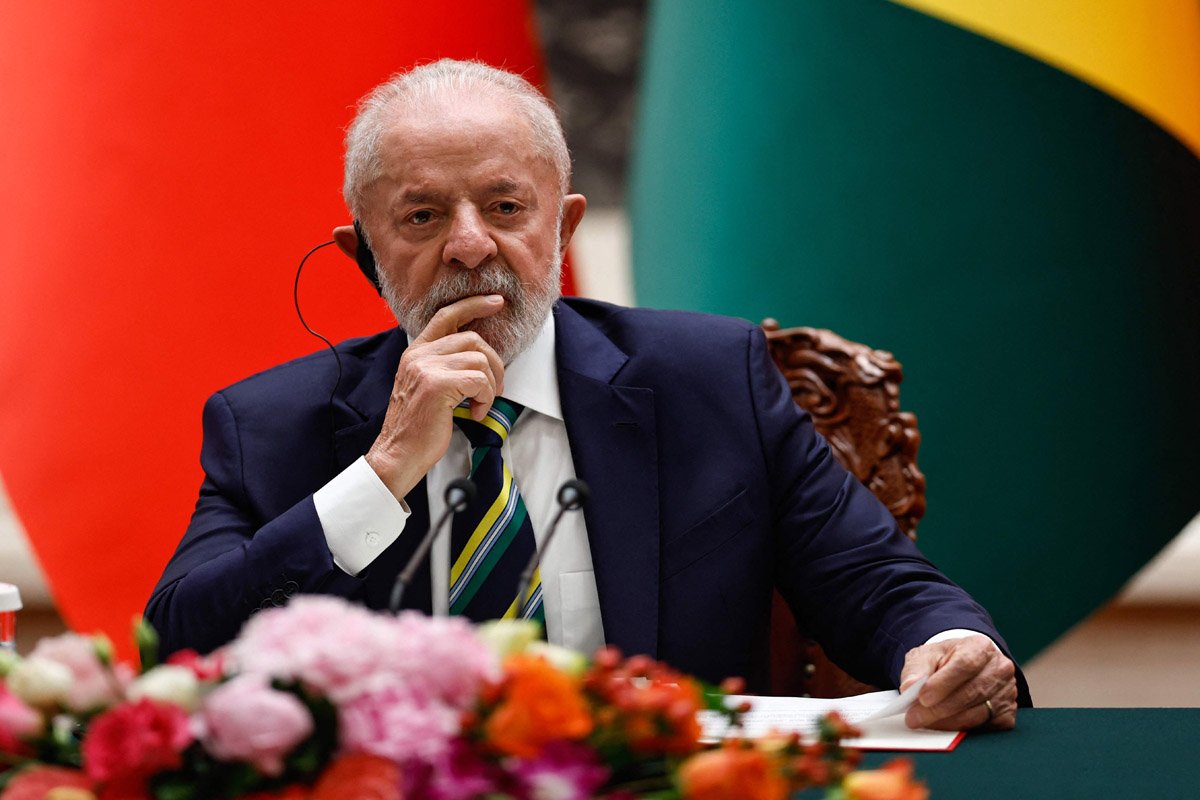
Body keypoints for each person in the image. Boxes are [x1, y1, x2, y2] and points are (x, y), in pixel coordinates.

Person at [147, 59, 1027, 731]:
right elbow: (179, 649)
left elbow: (876, 581)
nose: (468, 247)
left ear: (561, 228)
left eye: (505, 206)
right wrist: (380, 473)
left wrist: (951, 647)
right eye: (421, 218)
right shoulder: (268, 425)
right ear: (363, 255)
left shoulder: (712, 381)